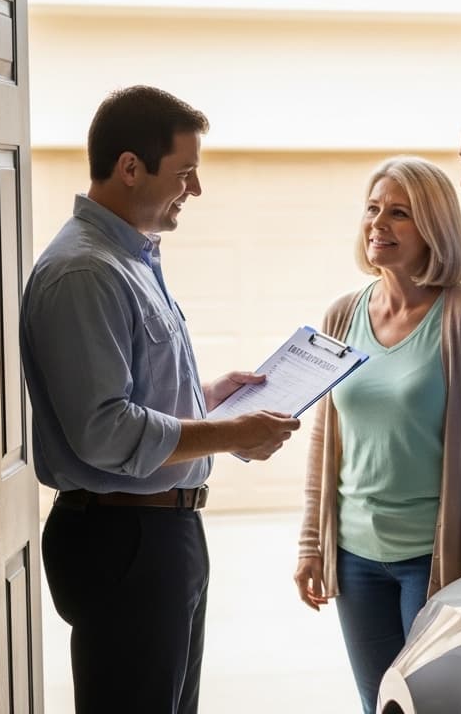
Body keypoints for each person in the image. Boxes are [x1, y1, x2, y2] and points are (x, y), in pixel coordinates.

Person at [21, 85, 301, 714]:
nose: (194, 189)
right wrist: (231, 434)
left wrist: (209, 399)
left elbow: (134, 394)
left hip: (159, 533)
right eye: (184, 172)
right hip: (125, 540)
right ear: (130, 167)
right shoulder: (86, 272)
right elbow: (106, 430)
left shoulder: (131, 259)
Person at [293, 156, 461, 714]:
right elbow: (326, 436)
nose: (378, 223)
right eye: (373, 209)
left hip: (432, 557)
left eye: (399, 213)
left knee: (434, 705)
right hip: (354, 557)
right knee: (379, 705)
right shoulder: (342, 315)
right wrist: (311, 544)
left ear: (434, 228)